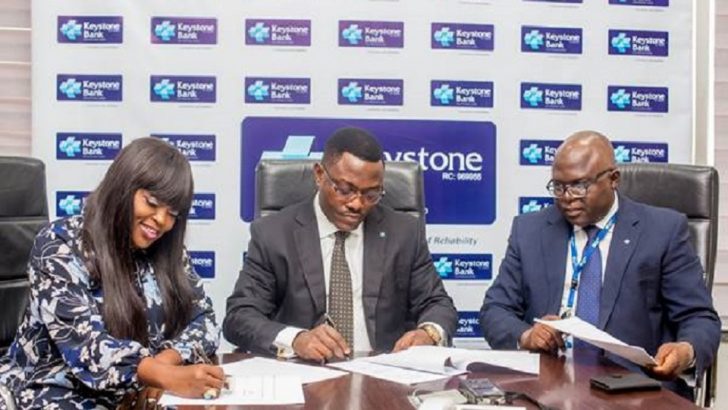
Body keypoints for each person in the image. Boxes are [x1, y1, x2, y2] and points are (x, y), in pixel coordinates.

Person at [480, 131, 720, 392]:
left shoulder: (663, 230)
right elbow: (495, 310)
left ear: (613, 179)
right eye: (558, 187)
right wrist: (526, 335)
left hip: (634, 389)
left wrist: (686, 350)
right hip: (547, 387)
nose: (567, 197)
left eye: (579, 186)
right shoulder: (529, 230)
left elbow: (699, 317)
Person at [0, 138, 224, 409]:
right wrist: (161, 374)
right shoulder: (59, 245)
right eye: (152, 203)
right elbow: (87, 348)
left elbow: (205, 321)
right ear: (122, 188)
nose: (161, 220)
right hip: (52, 391)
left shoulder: (169, 252)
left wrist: (165, 362)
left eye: (172, 213)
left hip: (135, 393)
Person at [224, 127, 457, 362]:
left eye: (371, 194)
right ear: (319, 175)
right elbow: (240, 317)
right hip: (305, 371)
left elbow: (437, 303)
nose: (357, 204)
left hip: (384, 371)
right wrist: (296, 339)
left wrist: (429, 333)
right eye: (345, 190)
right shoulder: (274, 234)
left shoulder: (404, 233)